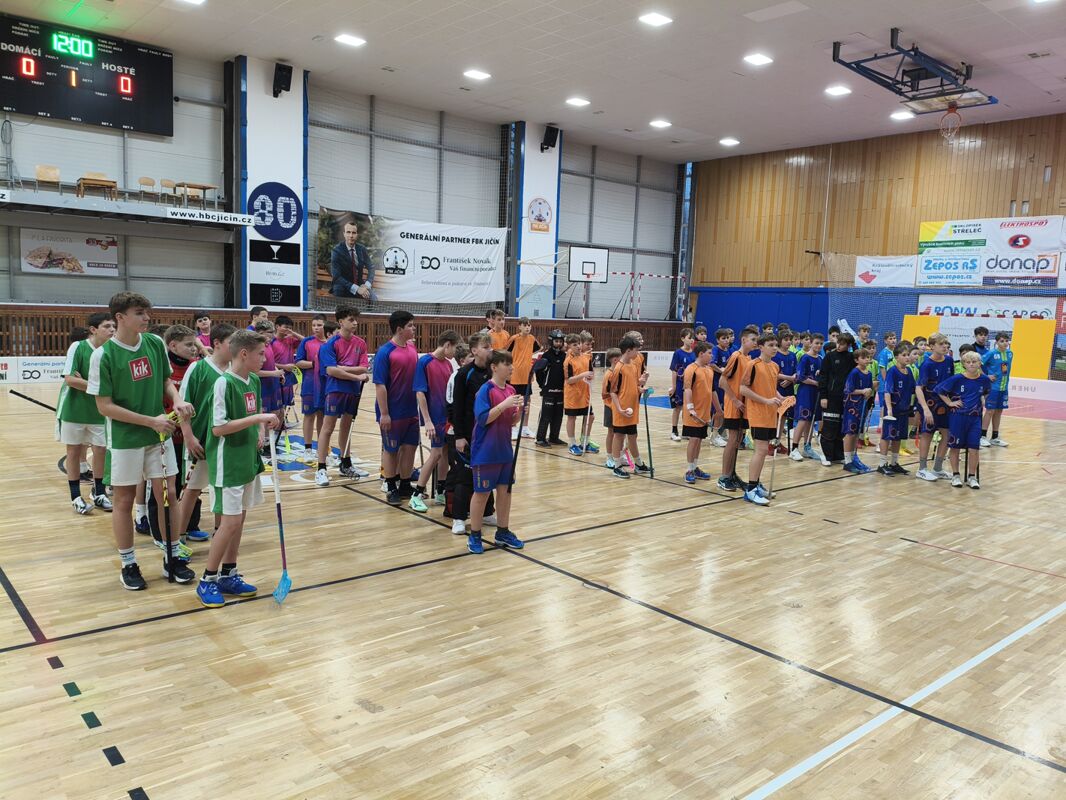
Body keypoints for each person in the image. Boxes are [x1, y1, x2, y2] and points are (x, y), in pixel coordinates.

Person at [87, 292, 195, 590]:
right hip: (125, 439)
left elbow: (165, 381)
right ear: (120, 317)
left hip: (158, 434)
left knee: (168, 493)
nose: (147, 317)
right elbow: (104, 407)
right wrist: (150, 421)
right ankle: (128, 563)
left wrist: (177, 400)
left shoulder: (154, 343)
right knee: (123, 500)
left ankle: (172, 555)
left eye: (147, 312)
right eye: (139, 313)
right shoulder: (103, 356)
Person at [197, 330, 281, 607]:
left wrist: (261, 428)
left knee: (239, 519)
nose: (265, 358)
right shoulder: (223, 384)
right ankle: (207, 579)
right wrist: (257, 419)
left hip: (247, 459)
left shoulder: (253, 379)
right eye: (261, 354)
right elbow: (218, 428)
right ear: (244, 354)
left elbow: (254, 411)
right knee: (229, 522)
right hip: (227, 462)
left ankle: (228, 573)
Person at [173, 322, 237, 544]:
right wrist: (188, 437)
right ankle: (179, 539)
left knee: (222, 490)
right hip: (199, 441)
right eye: (231, 343)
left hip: (225, 444)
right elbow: (182, 406)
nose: (236, 348)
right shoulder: (197, 368)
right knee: (191, 490)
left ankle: (220, 535)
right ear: (217, 343)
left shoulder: (235, 371)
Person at [466, 350, 526, 554]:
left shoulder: (511, 390)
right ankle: (475, 535)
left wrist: (520, 412)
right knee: (481, 494)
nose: (511, 368)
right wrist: (504, 405)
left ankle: (503, 531)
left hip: (505, 450)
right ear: (494, 367)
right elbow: (483, 419)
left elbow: (511, 421)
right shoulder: (485, 390)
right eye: (506, 364)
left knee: (505, 492)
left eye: (511, 364)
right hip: (485, 451)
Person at [57, 312, 115, 514]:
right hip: (74, 410)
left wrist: (86, 383)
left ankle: (99, 493)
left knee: (101, 451)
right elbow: (70, 379)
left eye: (113, 326)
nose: (112, 330)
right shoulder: (78, 347)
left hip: (100, 411)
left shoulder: (112, 351)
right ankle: (75, 497)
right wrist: (99, 386)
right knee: (73, 452)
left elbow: (114, 383)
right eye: (107, 326)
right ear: (93, 329)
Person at [315, 305, 370, 486]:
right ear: (340, 322)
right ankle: (321, 468)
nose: (355, 323)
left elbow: (364, 367)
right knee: (328, 428)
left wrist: (342, 368)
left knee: (347, 427)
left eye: (356, 319)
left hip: (352, 390)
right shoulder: (330, 345)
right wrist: (355, 375)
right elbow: (331, 371)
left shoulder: (360, 343)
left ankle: (345, 464)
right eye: (351, 320)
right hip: (335, 390)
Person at [449, 333, 496, 534]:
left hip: (488, 434)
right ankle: (459, 518)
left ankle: (487, 512)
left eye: (491, 346)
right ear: (474, 350)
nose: (490, 350)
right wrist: (459, 436)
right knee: (465, 476)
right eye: (486, 347)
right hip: (468, 435)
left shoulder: (493, 372)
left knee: (488, 473)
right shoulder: (464, 374)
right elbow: (456, 408)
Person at [374, 310, 420, 506]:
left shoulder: (412, 349)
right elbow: (380, 385)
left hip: (411, 410)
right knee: (391, 450)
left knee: (410, 448)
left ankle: (405, 484)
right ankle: (391, 486)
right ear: (400, 329)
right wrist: (384, 413)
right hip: (392, 412)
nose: (414, 328)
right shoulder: (385, 352)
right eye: (410, 325)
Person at [412, 330, 459, 511]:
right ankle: (416, 494)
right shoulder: (425, 362)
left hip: (446, 418)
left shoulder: (448, 365)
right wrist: (428, 420)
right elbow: (420, 392)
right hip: (435, 418)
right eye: (454, 348)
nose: (455, 353)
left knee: (444, 454)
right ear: (447, 344)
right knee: (436, 454)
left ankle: (440, 491)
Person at [934, 351, 992, 489]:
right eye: (968, 362)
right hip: (958, 417)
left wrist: (983, 400)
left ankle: (972, 477)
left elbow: (986, 392)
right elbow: (939, 390)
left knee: (974, 448)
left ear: (979, 364)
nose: (971, 364)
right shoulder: (957, 379)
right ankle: (955, 475)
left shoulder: (984, 380)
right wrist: (950, 403)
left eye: (974, 362)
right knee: (955, 447)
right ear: (963, 364)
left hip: (975, 418)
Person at [739, 334, 782, 505]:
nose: (775, 348)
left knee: (764, 451)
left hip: (771, 414)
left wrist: (781, 398)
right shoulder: (753, 365)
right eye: (771, 345)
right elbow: (743, 389)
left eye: (776, 345)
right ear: (761, 347)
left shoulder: (775, 366)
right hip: (758, 413)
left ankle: (756, 484)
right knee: (761, 450)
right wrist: (765, 401)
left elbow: (771, 389)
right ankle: (750, 490)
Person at [718, 327, 757, 490]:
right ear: (743, 340)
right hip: (734, 405)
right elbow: (722, 381)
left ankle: (732, 474)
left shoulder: (748, 358)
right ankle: (724, 477)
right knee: (733, 439)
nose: (755, 343)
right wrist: (734, 400)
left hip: (744, 406)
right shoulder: (736, 356)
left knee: (738, 439)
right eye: (753, 340)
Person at [606, 336, 650, 479]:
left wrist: (641, 387)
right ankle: (617, 466)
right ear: (628, 351)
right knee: (618, 436)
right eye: (636, 350)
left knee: (632, 436)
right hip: (622, 409)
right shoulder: (618, 368)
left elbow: (634, 385)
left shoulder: (633, 366)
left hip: (632, 409)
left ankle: (638, 464)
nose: (638, 353)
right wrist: (619, 409)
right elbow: (613, 392)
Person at [915, 332, 955, 482]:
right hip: (930, 405)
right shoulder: (927, 364)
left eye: (946, 344)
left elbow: (950, 383)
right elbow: (919, 388)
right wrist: (925, 409)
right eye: (941, 344)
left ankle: (937, 468)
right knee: (927, 434)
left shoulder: (949, 361)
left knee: (948, 434)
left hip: (945, 404)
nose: (945, 346)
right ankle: (922, 469)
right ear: (931, 346)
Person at [877, 343, 914, 477]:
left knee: (898, 437)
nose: (907, 357)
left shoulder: (909, 371)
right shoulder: (892, 371)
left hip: (904, 410)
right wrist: (889, 409)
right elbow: (888, 391)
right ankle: (882, 464)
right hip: (893, 410)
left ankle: (894, 463)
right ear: (896, 357)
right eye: (904, 355)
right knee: (887, 436)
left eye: (908, 355)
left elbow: (913, 389)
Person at [818, 331, 855, 465]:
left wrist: (854, 344)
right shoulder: (830, 357)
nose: (838, 346)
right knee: (830, 425)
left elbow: (860, 355)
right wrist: (823, 396)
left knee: (841, 426)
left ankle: (837, 455)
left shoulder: (851, 357)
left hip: (845, 397)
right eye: (838, 342)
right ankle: (825, 455)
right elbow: (823, 376)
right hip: (831, 396)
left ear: (849, 345)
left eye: (843, 344)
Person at [681, 341, 715, 483]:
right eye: (709, 353)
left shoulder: (709, 370)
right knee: (694, 440)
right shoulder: (691, 369)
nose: (711, 356)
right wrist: (690, 408)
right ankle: (689, 469)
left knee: (699, 440)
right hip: (693, 413)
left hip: (704, 413)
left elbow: (711, 391)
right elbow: (687, 389)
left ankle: (695, 467)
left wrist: (718, 409)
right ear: (701, 354)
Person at [295, 314, 327, 456]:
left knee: (322, 416)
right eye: (314, 325)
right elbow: (298, 362)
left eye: (319, 325)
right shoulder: (307, 342)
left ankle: (322, 447)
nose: (316, 328)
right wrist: (315, 364)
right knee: (309, 415)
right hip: (309, 384)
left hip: (325, 385)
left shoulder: (330, 342)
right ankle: (307, 448)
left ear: (325, 326)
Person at [790, 333, 823, 462]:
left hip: (816, 393)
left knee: (811, 420)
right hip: (805, 392)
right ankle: (794, 449)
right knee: (803, 419)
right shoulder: (805, 358)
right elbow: (800, 377)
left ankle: (807, 447)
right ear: (810, 343)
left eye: (821, 343)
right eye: (816, 343)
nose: (818, 346)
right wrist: (815, 382)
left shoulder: (820, 359)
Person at [841, 347, 874, 473]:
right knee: (850, 432)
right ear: (856, 360)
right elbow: (848, 390)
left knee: (856, 433)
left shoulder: (869, 373)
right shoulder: (854, 372)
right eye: (863, 358)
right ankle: (847, 461)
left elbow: (869, 389)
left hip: (862, 406)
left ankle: (853, 457)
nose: (867, 360)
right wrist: (862, 391)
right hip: (852, 407)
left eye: (868, 357)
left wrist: (869, 391)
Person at [506, 317, 540, 439]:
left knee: (527, 402)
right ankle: (513, 427)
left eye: (529, 325)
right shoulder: (514, 339)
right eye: (525, 325)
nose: (527, 327)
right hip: (514, 375)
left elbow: (538, 348)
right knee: (514, 402)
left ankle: (524, 428)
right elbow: (506, 352)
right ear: (519, 326)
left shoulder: (532, 339)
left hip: (527, 376)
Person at [563, 333, 595, 455]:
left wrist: (590, 376)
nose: (577, 347)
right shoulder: (568, 361)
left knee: (590, 417)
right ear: (569, 346)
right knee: (572, 418)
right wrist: (583, 375)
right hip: (573, 395)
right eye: (574, 345)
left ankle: (585, 442)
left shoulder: (587, 357)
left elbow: (591, 372)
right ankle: (572, 444)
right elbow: (569, 380)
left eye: (578, 344)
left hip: (585, 394)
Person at [534, 330, 566, 447]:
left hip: (561, 391)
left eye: (560, 341)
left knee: (558, 415)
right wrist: (543, 385)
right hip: (548, 391)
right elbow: (538, 372)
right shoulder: (546, 356)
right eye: (556, 341)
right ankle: (540, 438)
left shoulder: (564, 356)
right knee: (546, 415)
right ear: (551, 341)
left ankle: (554, 437)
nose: (558, 343)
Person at [980, 333, 1012, 447]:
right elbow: (978, 364)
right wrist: (986, 376)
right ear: (997, 342)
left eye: (1006, 341)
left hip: (1004, 388)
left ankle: (995, 437)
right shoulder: (991, 353)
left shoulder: (1010, 353)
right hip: (993, 388)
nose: (1005, 343)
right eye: (1002, 341)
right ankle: (982, 437)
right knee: (990, 411)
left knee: (999, 411)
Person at [330, 221, 375, 299]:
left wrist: (367, 285)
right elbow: (337, 276)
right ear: (344, 234)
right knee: (339, 298)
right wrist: (356, 289)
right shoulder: (337, 251)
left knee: (374, 299)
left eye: (354, 233)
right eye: (348, 232)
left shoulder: (361, 249)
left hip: (360, 285)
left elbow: (371, 267)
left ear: (357, 235)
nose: (351, 236)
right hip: (342, 286)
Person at [771, 330, 797, 455]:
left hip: (789, 388)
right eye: (786, 340)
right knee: (775, 416)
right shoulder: (775, 355)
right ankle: (771, 441)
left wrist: (791, 379)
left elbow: (796, 372)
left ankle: (777, 441)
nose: (788, 342)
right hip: (777, 388)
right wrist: (788, 378)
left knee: (784, 416)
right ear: (779, 341)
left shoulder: (792, 355)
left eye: (790, 340)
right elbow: (773, 373)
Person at [668, 328, 696, 442]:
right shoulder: (678, 353)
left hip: (691, 385)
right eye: (689, 338)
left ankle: (686, 431)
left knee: (688, 407)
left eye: (693, 338)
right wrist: (674, 386)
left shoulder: (694, 353)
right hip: (680, 384)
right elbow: (674, 371)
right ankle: (674, 431)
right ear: (683, 338)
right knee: (678, 408)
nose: (692, 340)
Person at [709, 327, 732, 446]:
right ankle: (713, 435)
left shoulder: (728, 351)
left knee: (723, 409)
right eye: (723, 338)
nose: (726, 340)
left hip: (725, 384)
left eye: (728, 338)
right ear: (718, 340)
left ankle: (719, 433)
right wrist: (721, 370)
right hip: (716, 383)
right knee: (718, 410)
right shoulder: (715, 350)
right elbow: (711, 364)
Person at [601, 347, 621, 469]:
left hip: (618, 407)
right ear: (615, 360)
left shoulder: (619, 373)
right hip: (610, 407)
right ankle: (609, 457)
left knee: (619, 433)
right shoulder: (609, 375)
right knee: (611, 432)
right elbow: (605, 394)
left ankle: (618, 455)